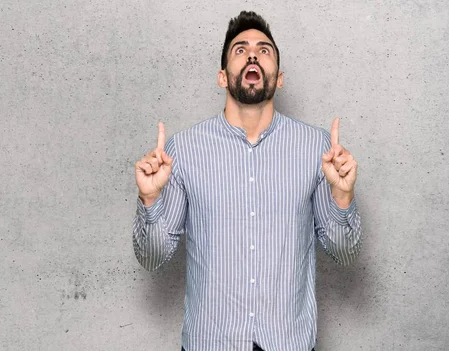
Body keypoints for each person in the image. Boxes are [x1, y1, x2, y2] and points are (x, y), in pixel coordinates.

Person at [132, 10, 362, 351]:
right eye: (240, 49)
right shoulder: (183, 150)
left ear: (279, 77)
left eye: (263, 49)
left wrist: (343, 197)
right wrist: (149, 202)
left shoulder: (318, 149)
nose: (252, 54)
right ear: (222, 77)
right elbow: (152, 259)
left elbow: (345, 255)